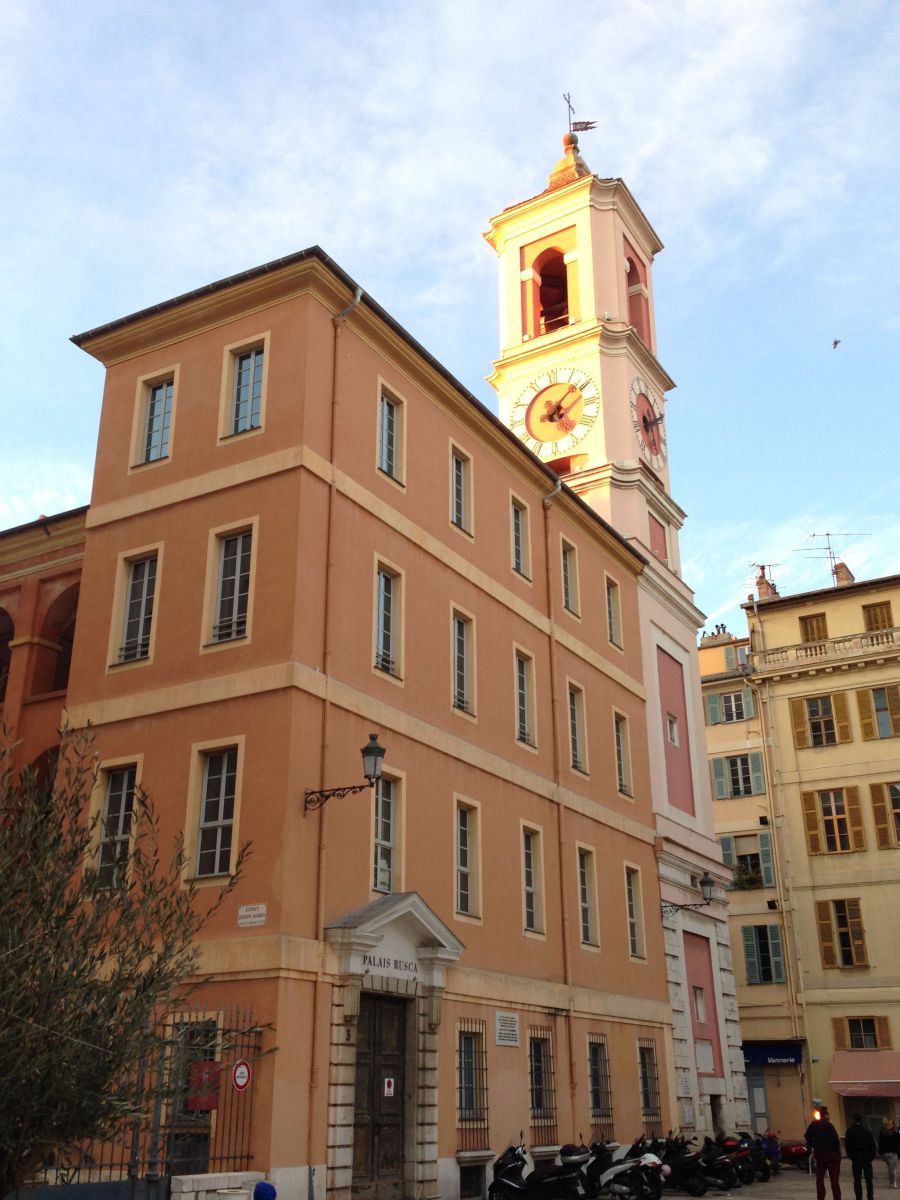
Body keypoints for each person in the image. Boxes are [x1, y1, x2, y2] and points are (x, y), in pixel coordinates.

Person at [805, 1106, 842, 1200]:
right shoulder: (829, 1125)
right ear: (825, 1115)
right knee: (834, 1180)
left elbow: (807, 1137)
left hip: (820, 1155)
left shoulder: (813, 1125)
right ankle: (837, 1198)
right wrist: (837, 1153)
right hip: (831, 1156)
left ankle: (820, 1197)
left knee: (820, 1180)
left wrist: (814, 1145)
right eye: (828, 1114)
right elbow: (835, 1140)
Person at [845, 1114, 877, 1200]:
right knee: (869, 1180)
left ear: (854, 1119)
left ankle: (859, 1197)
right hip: (866, 1158)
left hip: (856, 1158)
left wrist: (852, 1157)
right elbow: (873, 1146)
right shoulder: (867, 1131)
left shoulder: (850, 1131)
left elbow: (848, 1146)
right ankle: (870, 1196)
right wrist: (870, 1157)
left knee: (857, 1180)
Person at [879, 1118, 900, 1188]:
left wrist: (880, 1153)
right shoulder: (895, 1134)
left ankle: (891, 1183)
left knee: (890, 1168)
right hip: (893, 1153)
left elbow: (880, 1143)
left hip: (885, 1153)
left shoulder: (882, 1133)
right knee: (893, 1169)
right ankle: (893, 1183)